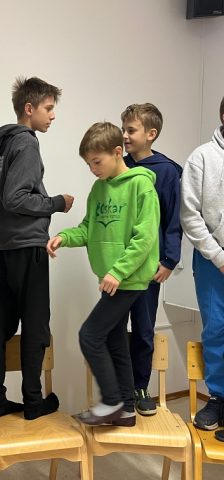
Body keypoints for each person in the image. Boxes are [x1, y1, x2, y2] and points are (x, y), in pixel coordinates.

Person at [0, 76, 74, 420]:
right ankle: (33, 401)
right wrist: (57, 202)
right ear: (29, 109)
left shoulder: (0, 145)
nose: (52, 115)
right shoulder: (26, 143)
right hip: (29, 248)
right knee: (36, 326)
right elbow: (15, 198)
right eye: (48, 108)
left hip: (6, 250)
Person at [47, 122, 160, 426]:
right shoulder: (99, 189)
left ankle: (111, 401)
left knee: (90, 335)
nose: (92, 170)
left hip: (129, 279)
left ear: (117, 152)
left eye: (97, 162)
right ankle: (126, 409)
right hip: (112, 280)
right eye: (88, 164)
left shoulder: (141, 186)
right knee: (114, 341)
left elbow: (145, 238)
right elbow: (88, 229)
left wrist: (118, 271)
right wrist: (64, 237)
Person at [121, 103, 182, 416]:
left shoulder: (167, 171)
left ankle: (139, 387)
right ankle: (119, 389)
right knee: (116, 328)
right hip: (119, 267)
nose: (125, 135)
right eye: (124, 129)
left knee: (144, 329)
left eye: (131, 130)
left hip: (149, 267)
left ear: (151, 134)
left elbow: (173, 219)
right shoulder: (119, 166)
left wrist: (169, 260)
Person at [180, 96, 224, 433]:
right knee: (216, 329)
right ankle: (219, 397)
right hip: (212, 259)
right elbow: (189, 215)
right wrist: (219, 257)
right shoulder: (202, 157)